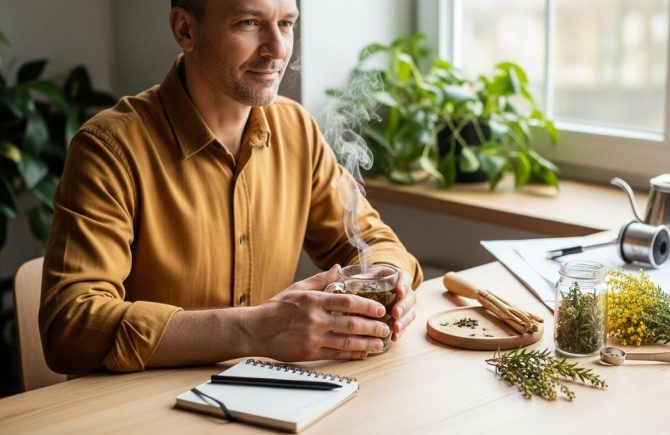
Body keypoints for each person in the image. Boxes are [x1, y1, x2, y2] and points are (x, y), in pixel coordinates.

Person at [39, 0, 422, 374]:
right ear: (185, 30)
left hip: (267, 401)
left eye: (286, 23)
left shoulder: (296, 130)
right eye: (249, 23)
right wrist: (257, 328)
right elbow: (70, 324)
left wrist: (391, 281)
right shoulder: (109, 149)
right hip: (140, 410)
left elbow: (374, 242)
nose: (277, 49)